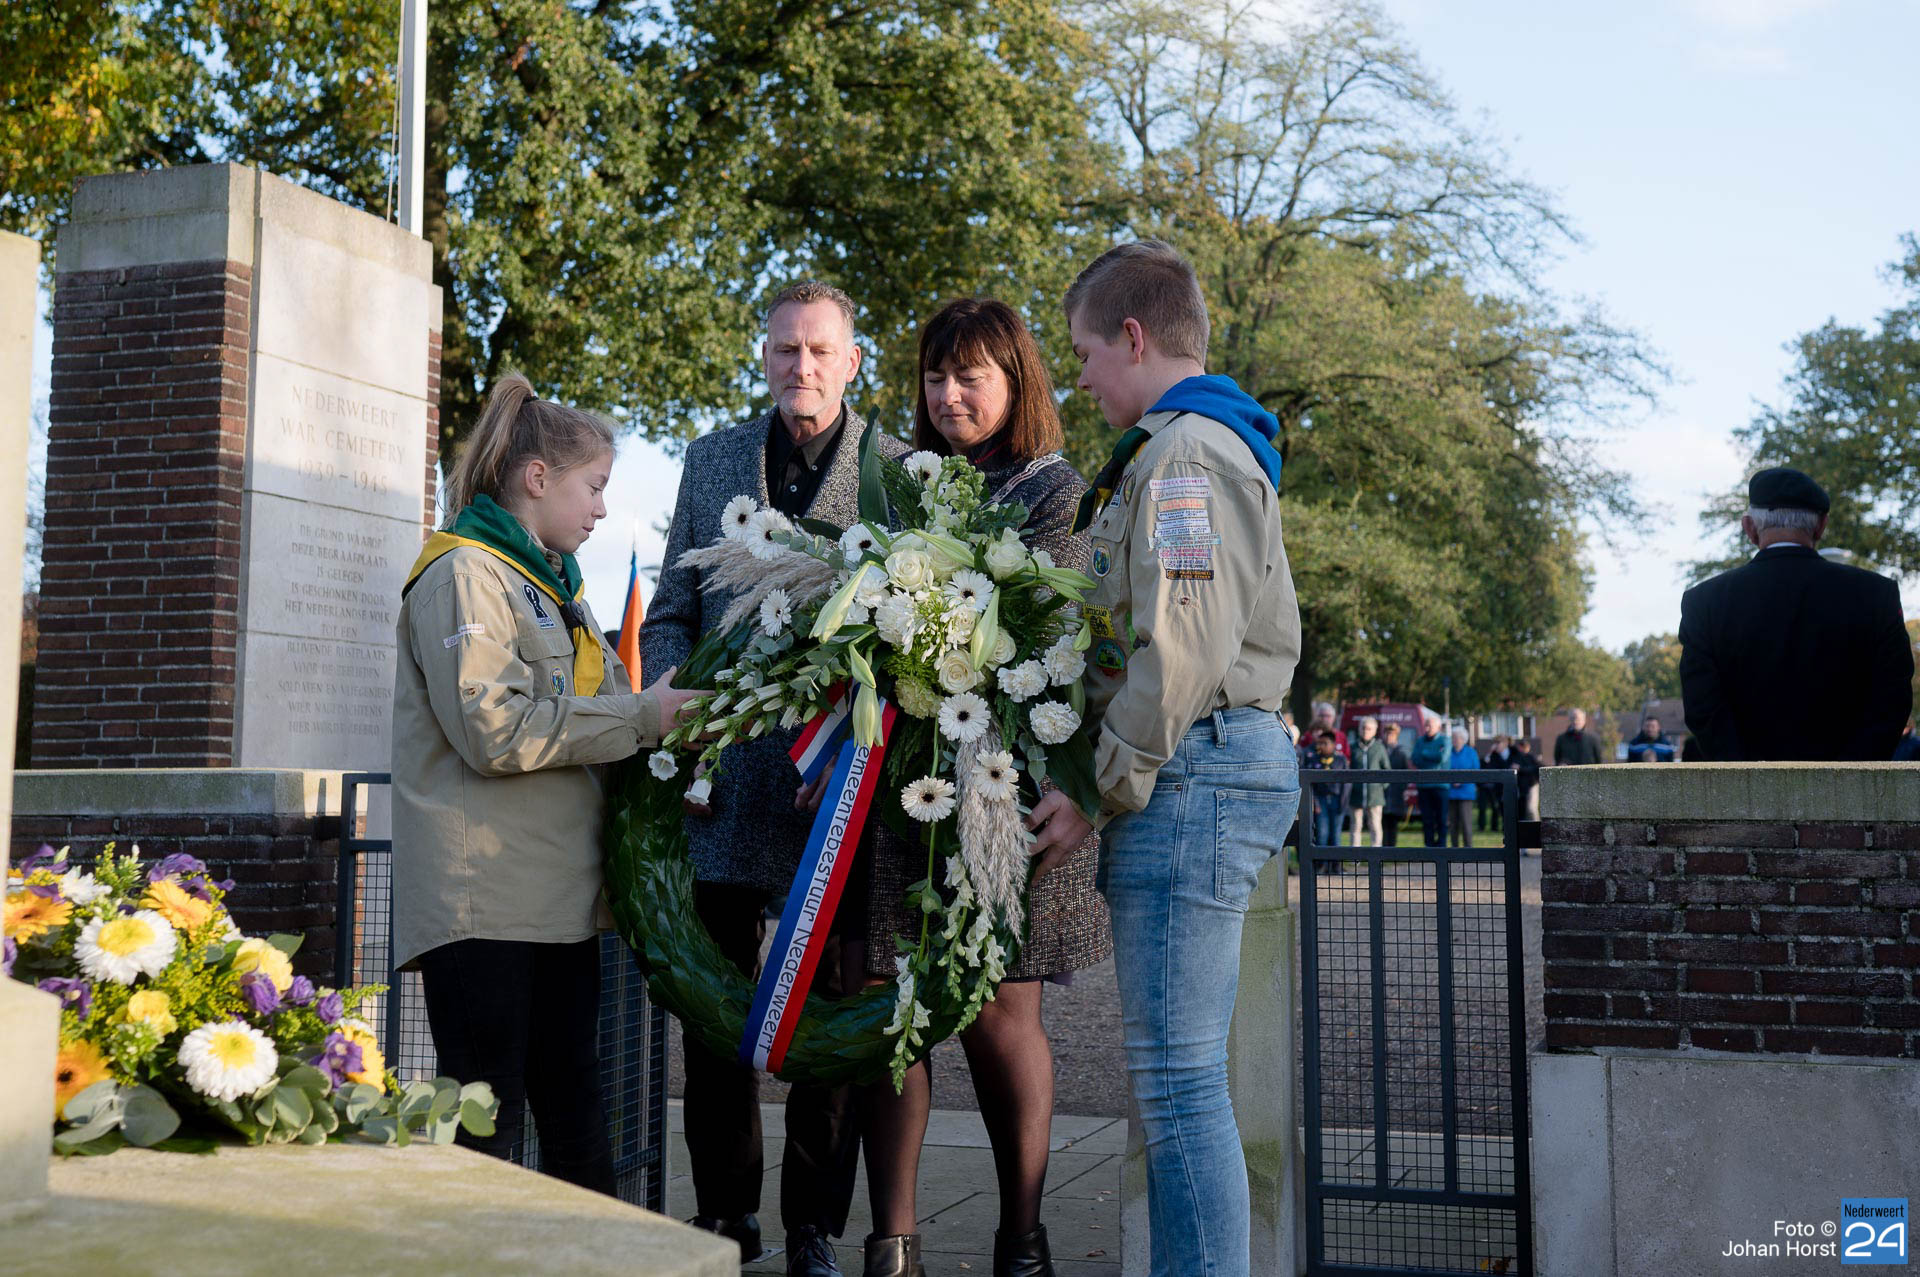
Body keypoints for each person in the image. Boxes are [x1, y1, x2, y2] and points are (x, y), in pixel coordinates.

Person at [1023, 239, 1301, 1277]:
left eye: (1085, 351)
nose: (1080, 376)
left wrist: (1096, 788)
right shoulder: (1187, 448)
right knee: (1179, 1082)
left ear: (1134, 337)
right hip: (1199, 766)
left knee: (1180, 1084)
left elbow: (1179, 652)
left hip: (1194, 770)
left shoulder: (1184, 456)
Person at [644, 281, 908, 1276]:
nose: (803, 366)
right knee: (714, 1021)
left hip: (830, 794)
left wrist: (852, 742)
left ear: (852, 360)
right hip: (720, 786)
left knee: (828, 1019)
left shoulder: (897, 470)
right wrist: (677, 707)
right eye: (786, 349)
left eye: (821, 350)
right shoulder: (710, 458)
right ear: (764, 356)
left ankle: (811, 1228)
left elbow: (910, 639)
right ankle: (723, 1214)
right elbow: (672, 609)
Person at [391, 374, 704, 1195]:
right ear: (538, 478)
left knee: (576, 1116)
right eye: (592, 486)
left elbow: (598, 718)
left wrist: (665, 750)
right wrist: (641, 716)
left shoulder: (554, 587)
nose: (601, 509)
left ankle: (591, 1252)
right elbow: (494, 729)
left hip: (555, 900)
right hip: (485, 904)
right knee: (485, 1130)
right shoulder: (464, 574)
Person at [854, 298, 1113, 1277]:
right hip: (903, 788)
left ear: (1017, 380)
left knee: (1004, 1013)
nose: (950, 394)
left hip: (1014, 786)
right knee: (897, 1005)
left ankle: (1022, 1236)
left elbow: (1055, 635)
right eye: (935, 376)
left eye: (972, 376)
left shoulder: (1058, 492)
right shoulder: (903, 489)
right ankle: (895, 1238)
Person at [1680, 467, 1913, 761]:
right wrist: (1850, 772)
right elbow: (1892, 700)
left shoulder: (1704, 602)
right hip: (1849, 784)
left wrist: (1745, 774)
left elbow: (1702, 707)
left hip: (1746, 785)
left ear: (1749, 527)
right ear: (1821, 526)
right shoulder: (1876, 595)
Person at [1303, 728, 1348, 872]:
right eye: (1320, 743)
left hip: (1336, 799)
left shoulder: (1341, 760)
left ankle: (1336, 865)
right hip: (1321, 800)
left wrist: (1343, 803)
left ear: (1333, 744)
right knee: (1322, 833)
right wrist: (1314, 802)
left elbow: (1346, 784)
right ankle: (1321, 865)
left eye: (1325, 743)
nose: (1321, 746)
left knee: (1336, 835)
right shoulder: (1314, 760)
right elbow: (1311, 785)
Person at [1347, 716, 1390, 848]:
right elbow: (1347, 769)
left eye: (1369, 729)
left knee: (1375, 826)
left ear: (1375, 731)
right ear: (1359, 729)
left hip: (1375, 796)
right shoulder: (1353, 747)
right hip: (1356, 794)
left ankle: (1376, 854)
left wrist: (1380, 786)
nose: (1366, 731)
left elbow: (1387, 769)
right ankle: (1355, 855)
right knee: (1355, 826)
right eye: (1363, 728)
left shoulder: (1379, 747)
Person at [1410, 713, 1450, 848]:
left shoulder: (1445, 740)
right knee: (1427, 819)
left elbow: (1442, 758)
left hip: (1441, 786)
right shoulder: (1420, 741)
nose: (1427, 728)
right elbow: (1415, 759)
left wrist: (1425, 753)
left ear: (1438, 727)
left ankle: (1441, 848)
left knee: (1441, 819)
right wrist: (1432, 756)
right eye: (1426, 725)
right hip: (1424, 786)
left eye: (1430, 726)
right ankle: (1429, 848)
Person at [1380, 722, 1412, 847]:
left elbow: (1406, 774)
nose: (1389, 737)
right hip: (1382, 793)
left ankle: (1392, 849)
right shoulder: (1380, 750)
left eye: (1392, 734)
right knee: (1382, 823)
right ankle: (1383, 849)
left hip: (1396, 793)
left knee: (1393, 824)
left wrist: (1403, 789)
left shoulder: (1401, 753)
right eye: (1387, 734)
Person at [1446, 728, 1479, 848]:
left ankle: (1468, 849)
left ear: (1463, 739)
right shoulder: (1448, 752)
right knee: (1453, 824)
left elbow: (1476, 771)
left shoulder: (1471, 752)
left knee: (1466, 823)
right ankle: (1454, 850)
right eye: (1453, 737)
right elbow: (1444, 768)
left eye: (1456, 737)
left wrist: (1462, 781)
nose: (1454, 740)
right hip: (1451, 793)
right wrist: (1452, 781)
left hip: (1466, 793)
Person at [1477, 734, 1514, 832]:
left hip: (1506, 785)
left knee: (1502, 807)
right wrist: (1490, 753)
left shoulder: (1512, 753)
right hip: (1493, 786)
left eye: (1498, 743)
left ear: (1505, 743)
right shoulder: (1493, 754)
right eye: (1495, 743)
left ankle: (1504, 827)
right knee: (1490, 806)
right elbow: (1485, 765)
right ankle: (1488, 827)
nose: (1496, 745)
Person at [1512, 738, 1542, 825]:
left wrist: (1521, 768)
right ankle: (1528, 828)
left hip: (1532, 785)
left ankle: (1537, 827)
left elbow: (1536, 768)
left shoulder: (1532, 757)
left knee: (1531, 809)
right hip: (1521, 787)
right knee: (1523, 810)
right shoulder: (1516, 757)